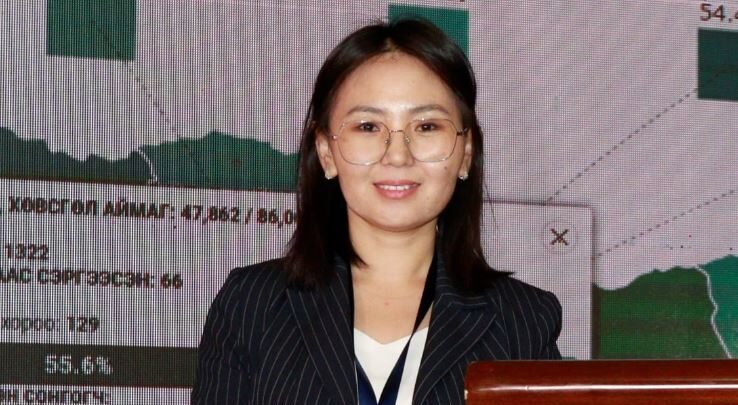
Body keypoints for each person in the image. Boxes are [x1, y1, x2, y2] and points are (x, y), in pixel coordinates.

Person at [191, 17, 561, 405]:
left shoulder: (522, 320)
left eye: (427, 126)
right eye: (368, 127)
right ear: (326, 152)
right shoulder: (253, 304)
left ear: (466, 153)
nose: (397, 155)